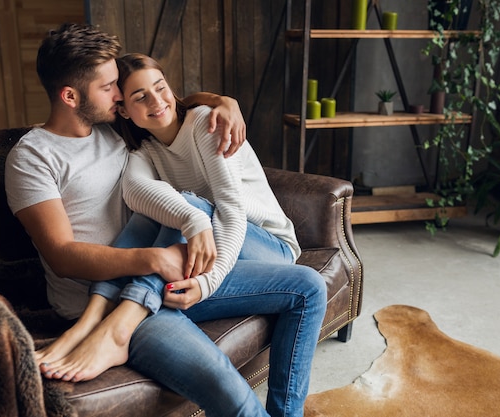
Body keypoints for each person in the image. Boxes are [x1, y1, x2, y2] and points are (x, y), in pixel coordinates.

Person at [36, 52, 328, 417]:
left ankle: (119, 316)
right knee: (164, 209)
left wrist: (207, 273)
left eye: (161, 88)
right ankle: (101, 315)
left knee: (190, 205)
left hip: (264, 245)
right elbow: (134, 192)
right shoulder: (142, 153)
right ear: (124, 109)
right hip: (209, 253)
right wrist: (193, 223)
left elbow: (231, 211)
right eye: (140, 97)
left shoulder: (206, 124)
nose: (157, 101)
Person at [6, 23, 272, 417]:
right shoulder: (33, 157)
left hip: (153, 287)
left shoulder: (116, 131)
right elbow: (62, 255)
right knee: (224, 386)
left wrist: (222, 100)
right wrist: (152, 259)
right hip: (103, 299)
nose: (118, 94)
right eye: (109, 86)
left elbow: (165, 101)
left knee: (301, 287)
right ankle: (94, 331)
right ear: (69, 96)